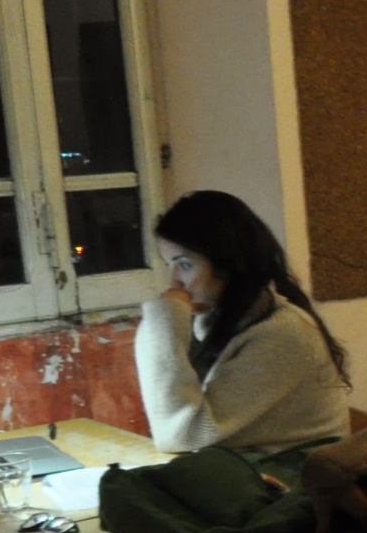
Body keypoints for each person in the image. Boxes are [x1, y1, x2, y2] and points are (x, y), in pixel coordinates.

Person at [136, 191, 353, 453]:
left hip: (297, 476)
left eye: (185, 265)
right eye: (168, 265)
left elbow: (180, 436)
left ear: (227, 264)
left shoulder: (283, 333)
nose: (173, 283)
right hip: (249, 471)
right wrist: (162, 324)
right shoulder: (216, 319)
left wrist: (162, 323)